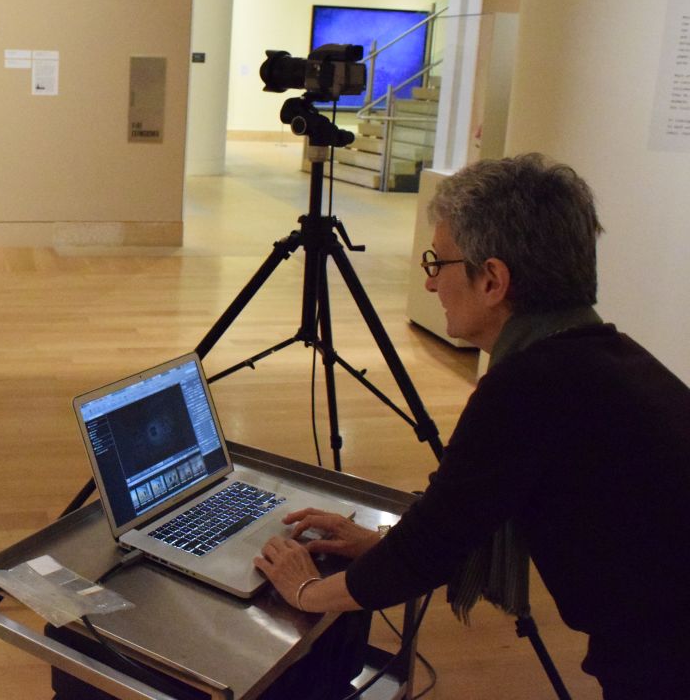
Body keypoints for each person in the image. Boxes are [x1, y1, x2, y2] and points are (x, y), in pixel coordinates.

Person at [254, 153, 690, 698]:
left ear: (493, 280)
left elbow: (428, 552)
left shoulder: (528, 388)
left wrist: (307, 591)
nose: (431, 284)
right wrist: (374, 542)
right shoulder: (605, 357)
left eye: (438, 263)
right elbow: (458, 518)